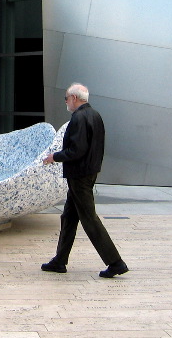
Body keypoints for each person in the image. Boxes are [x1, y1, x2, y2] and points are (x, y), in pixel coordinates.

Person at [41, 83, 128, 278]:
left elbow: (77, 150)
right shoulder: (95, 115)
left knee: (89, 219)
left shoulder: (79, 118)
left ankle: (115, 262)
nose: (66, 102)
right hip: (87, 173)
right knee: (69, 217)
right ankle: (59, 261)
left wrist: (54, 157)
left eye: (66, 98)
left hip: (79, 175)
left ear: (74, 98)